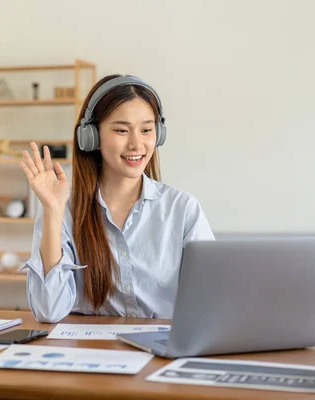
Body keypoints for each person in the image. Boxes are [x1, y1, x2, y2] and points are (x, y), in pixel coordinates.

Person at [20, 74, 214, 323]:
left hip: (162, 351)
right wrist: (53, 210)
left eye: (146, 130)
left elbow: (210, 302)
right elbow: (48, 311)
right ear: (91, 136)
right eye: (122, 130)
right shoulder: (64, 208)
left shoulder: (183, 209)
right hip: (90, 352)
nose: (136, 144)